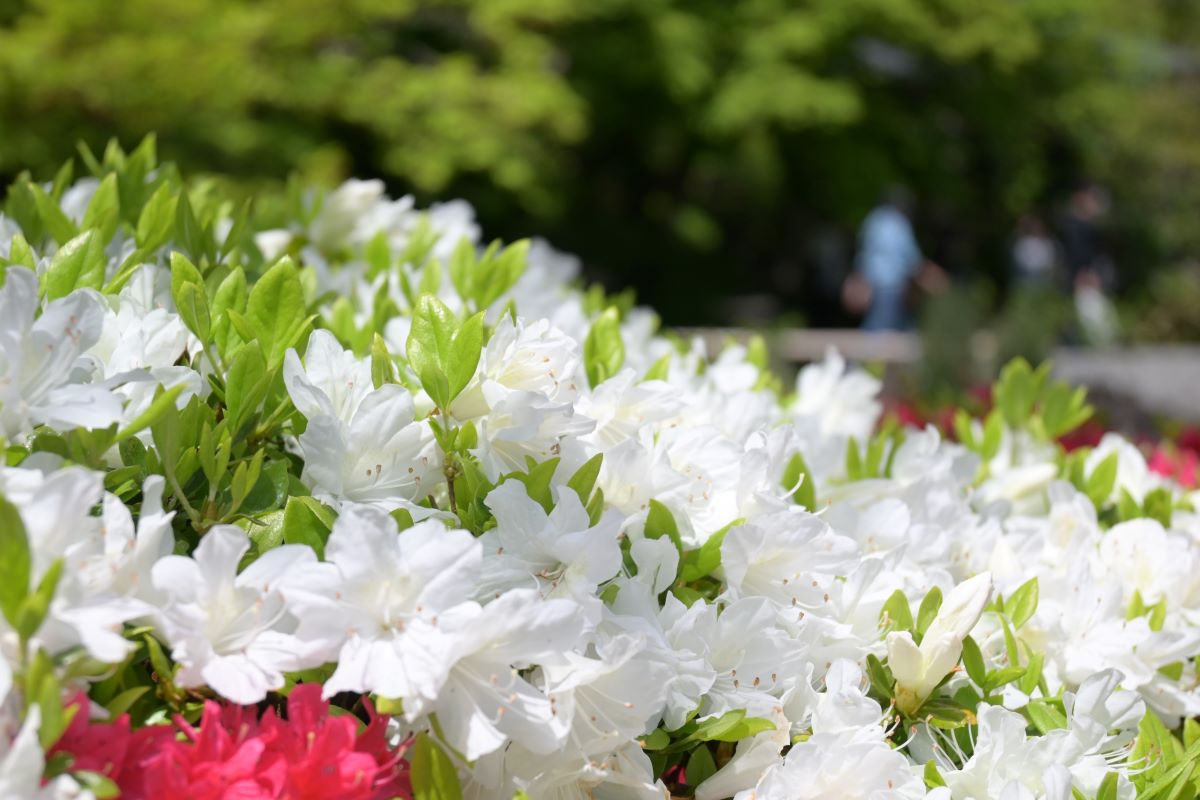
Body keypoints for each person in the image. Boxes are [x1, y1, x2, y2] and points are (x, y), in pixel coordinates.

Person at [850, 187, 945, 331]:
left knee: (888, 324)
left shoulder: (873, 220)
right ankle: (866, 352)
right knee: (881, 327)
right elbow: (911, 258)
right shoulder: (898, 223)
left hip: (873, 283)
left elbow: (864, 254)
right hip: (891, 285)